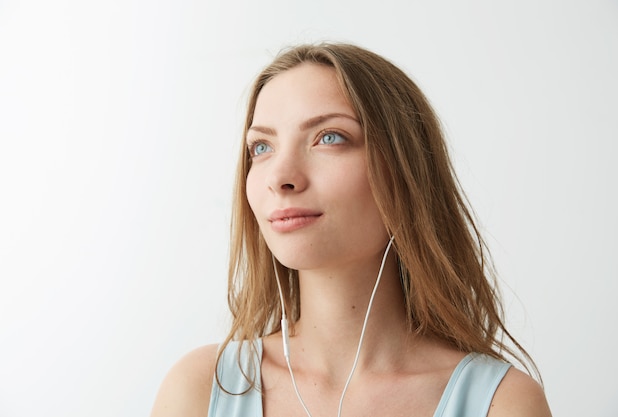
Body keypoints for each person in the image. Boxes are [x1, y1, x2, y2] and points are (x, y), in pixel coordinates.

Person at [150, 43, 552, 417]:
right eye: (261, 147)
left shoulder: (502, 403)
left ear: (405, 171)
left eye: (329, 138)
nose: (281, 177)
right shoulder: (200, 389)